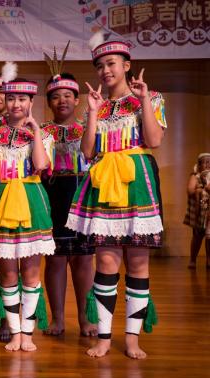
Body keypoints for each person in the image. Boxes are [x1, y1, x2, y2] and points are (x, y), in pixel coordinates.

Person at [67, 32, 166, 359]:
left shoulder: (150, 98)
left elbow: (154, 140)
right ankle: (105, 337)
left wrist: (145, 99)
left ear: (126, 65)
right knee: (106, 262)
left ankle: (133, 339)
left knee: (138, 262)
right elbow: (87, 152)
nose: (105, 70)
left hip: (136, 181)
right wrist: (93, 111)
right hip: (103, 182)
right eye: (99, 66)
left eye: (111, 63)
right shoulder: (96, 105)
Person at [0, 71, 55, 352]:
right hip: (1, 203)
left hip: (32, 201)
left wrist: (36, 132)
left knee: (30, 274)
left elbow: (40, 165)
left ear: (31, 101)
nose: (16, 104)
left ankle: (27, 333)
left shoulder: (43, 135)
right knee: (7, 275)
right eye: (11, 98)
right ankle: (15, 332)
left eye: (22, 99)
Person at [41, 70, 96, 337]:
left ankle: (86, 319)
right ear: (49, 102)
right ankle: (58, 318)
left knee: (84, 260)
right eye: (55, 97)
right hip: (52, 196)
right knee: (55, 260)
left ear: (76, 100)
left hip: (82, 194)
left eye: (67, 95)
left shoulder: (88, 128)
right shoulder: (41, 131)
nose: (62, 100)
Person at [184, 153, 210, 269]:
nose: (208, 164)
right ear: (199, 165)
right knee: (197, 236)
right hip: (199, 212)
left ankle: (208, 259)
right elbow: (190, 190)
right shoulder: (195, 176)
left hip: (209, 213)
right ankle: (193, 259)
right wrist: (199, 190)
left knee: (209, 238)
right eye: (205, 162)